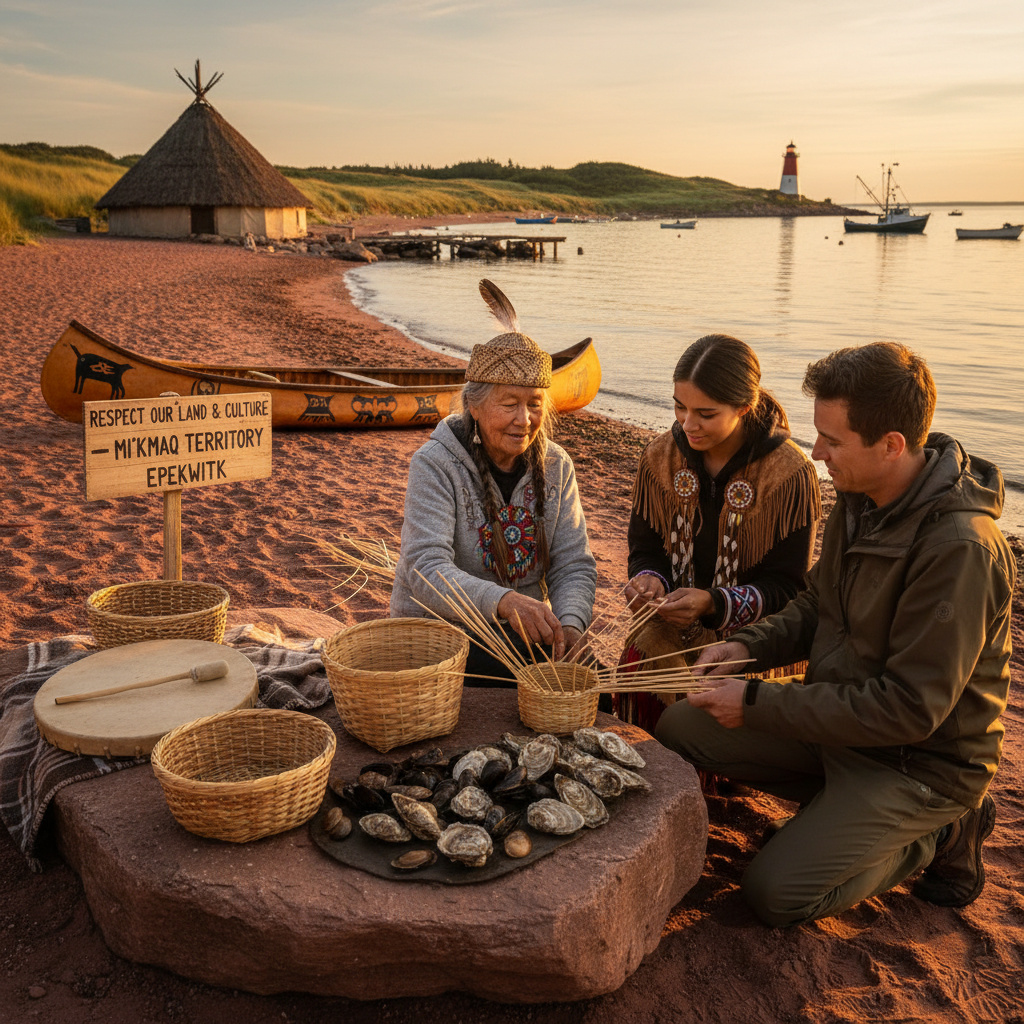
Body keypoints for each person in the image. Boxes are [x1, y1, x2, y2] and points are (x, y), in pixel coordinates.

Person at [656, 341, 1016, 925]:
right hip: (840, 728)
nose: (815, 451)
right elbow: (816, 603)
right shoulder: (860, 494)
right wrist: (747, 646)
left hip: (916, 762)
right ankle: (843, 814)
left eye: (832, 440)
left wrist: (754, 701)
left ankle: (944, 830)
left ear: (892, 445)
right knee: (681, 724)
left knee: (776, 893)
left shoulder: (960, 550)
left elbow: (908, 710)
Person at [390, 279, 597, 683]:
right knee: (527, 677)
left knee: (590, 682)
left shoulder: (557, 467)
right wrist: (504, 601)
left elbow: (574, 563)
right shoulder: (435, 464)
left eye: (534, 405)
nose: (525, 420)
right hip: (439, 637)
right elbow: (425, 568)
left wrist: (571, 624)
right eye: (509, 404)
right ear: (474, 405)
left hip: (519, 637)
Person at [615, 333, 821, 731]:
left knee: (710, 704)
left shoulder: (789, 474)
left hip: (752, 636)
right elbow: (645, 548)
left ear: (744, 407)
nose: (687, 424)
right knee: (639, 657)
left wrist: (712, 603)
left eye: (705, 414)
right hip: (672, 624)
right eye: (679, 407)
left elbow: (790, 590)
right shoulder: (660, 457)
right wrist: (649, 580)